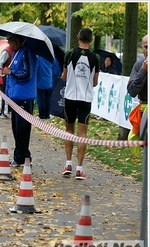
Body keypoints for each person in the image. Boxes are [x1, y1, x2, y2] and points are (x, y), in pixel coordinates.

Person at [61, 28, 100, 180]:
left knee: (69, 130)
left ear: (78, 37)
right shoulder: (96, 57)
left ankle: (68, 164)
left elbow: (64, 77)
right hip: (85, 99)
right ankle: (79, 169)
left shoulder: (69, 54)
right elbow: (95, 82)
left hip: (70, 97)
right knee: (82, 134)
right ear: (91, 40)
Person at [2, 34, 38, 166]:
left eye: (11, 41)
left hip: (24, 96)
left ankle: (23, 156)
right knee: (16, 128)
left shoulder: (27, 52)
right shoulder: (17, 53)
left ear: (17, 41)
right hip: (15, 95)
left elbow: (27, 73)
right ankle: (19, 156)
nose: (10, 45)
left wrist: (11, 72)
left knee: (22, 128)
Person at [127, 34, 148, 113]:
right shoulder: (139, 65)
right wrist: (143, 71)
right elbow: (132, 91)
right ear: (142, 48)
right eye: (146, 47)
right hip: (144, 110)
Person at [0, 43, 14, 118]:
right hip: (5, 76)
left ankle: (8, 111)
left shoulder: (16, 51)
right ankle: (3, 112)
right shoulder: (7, 51)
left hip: (11, 76)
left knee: (10, 95)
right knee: (4, 95)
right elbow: (0, 62)